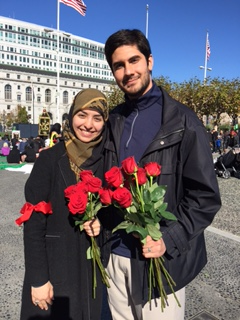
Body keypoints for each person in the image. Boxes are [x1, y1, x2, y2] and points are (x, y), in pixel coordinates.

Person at [99, 29, 221, 320]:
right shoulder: (113, 121)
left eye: (134, 60)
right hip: (116, 258)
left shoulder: (184, 121)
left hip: (162, 264)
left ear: (150, 61)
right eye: (119, 65)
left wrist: (169, 238)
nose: (128, 71)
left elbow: (205, 197)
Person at [16, 88, 109, 320]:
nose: (88, 124)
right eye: (82, 115)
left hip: (90, 272)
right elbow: (34, 223)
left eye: (97, 118)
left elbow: (112, 213)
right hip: (56, 268)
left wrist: (101, 223)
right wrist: (38, 279)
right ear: (71, 116)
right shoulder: (50, 159)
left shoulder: (107, 161)